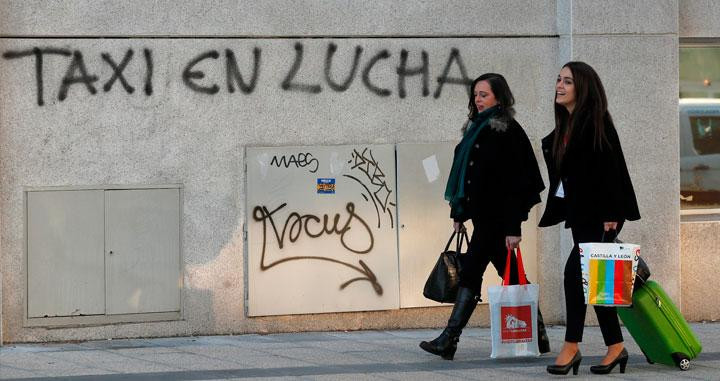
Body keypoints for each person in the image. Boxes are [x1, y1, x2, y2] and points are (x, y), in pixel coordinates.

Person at [419, 73, 548, 360]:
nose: (478, 100)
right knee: (510, 272)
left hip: (498, 219)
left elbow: (517, 182)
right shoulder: (476, 127)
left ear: (499, 97)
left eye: (484, 95)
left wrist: (514, 226)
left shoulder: (506, 129)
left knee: (472, 270)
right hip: (483, 216)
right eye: (475, 95)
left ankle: (449, 338)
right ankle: (538, 334)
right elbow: (468, 175)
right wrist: (459, 212)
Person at [540, 62, 640, 375]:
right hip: (581, 213)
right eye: (559, 79)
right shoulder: (567, 125)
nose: (559, 85)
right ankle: (616, 346)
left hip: (601, 214)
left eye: (567, 82)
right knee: (596, 280)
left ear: (582, 88)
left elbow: (612, 168)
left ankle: (571, 346)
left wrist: (612, 213)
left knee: (576, 276)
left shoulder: (596, 122)